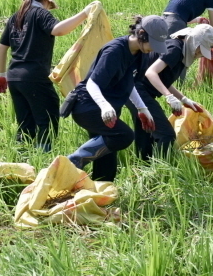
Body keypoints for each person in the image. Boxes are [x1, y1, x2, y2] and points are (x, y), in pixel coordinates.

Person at [0, 0, 96, 152]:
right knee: (47, 117)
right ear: (47, 0)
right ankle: (43, 155)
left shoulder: (16, 17)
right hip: (34, 76)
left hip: (14, 77)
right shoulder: (40, 13)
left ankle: (21, 155)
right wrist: (84, 14)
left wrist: (1, 75)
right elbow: (58, 30)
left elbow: (1, 48)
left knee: (24, 121)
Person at [65, 16, 168, 182]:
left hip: (107, 109)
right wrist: (104, 106)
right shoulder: (114, 51)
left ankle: (100, 190)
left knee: (107, 160)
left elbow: (129, 83)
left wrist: (142, 108)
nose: (152, 49)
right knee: (124, 136)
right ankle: (73, 161)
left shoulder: (140, 54)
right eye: (152, 43)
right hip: (88, 106)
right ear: (141, 34)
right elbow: (92, 83)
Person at [135, 24, 213, 160]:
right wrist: (169, 97)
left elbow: (163, 80)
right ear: (194, 42)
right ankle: (160, 167)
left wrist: (184, 99)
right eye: (200, 49)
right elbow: (151, 73)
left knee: (147, 132)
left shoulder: (181, 51)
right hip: (138, 91)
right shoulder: (175, 49)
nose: (200, 54)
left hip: (141, 91)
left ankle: (145, 164)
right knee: (166, 134)